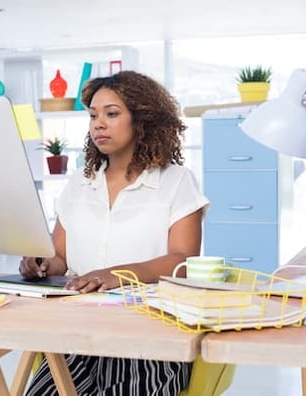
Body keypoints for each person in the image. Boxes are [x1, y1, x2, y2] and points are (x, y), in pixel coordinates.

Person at [19, 70, 209, 396]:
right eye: (93, 115)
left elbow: (183, 261)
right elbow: (60, 257)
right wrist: (40, 262)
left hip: (149, 338)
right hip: (76, 336)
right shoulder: (79, 182)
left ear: (142, 120)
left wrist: (118, 274)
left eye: (112, 113)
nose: (98, 124)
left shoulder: (176, 181)